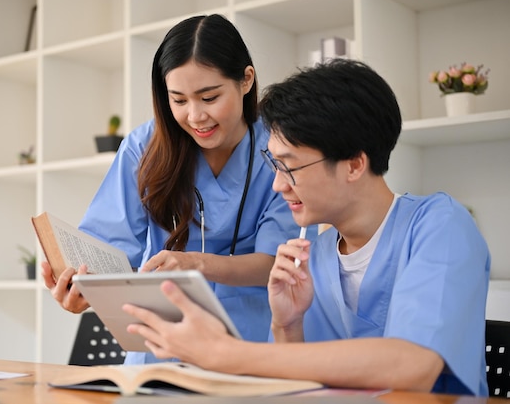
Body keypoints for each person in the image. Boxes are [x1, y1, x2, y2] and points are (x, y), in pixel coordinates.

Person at [122, 59, 491, 395]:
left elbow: (413, 366)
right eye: (274, 165)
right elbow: (295, 392)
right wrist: (287, 326)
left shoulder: (440, 225)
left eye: (290, 167)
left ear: (353, 164)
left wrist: (225, 353)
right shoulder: (312, 259)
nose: (279, 185)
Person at [41, 14, 307, 364]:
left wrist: (196, 263)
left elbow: (276, 262)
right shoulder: (143, 147)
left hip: (249, 347)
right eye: (179, 101)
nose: (195, 116)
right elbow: (109, 249)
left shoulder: (278, 146)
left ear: (246, 80)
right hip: (159, 349)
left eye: (209, 98)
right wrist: (83, 286)